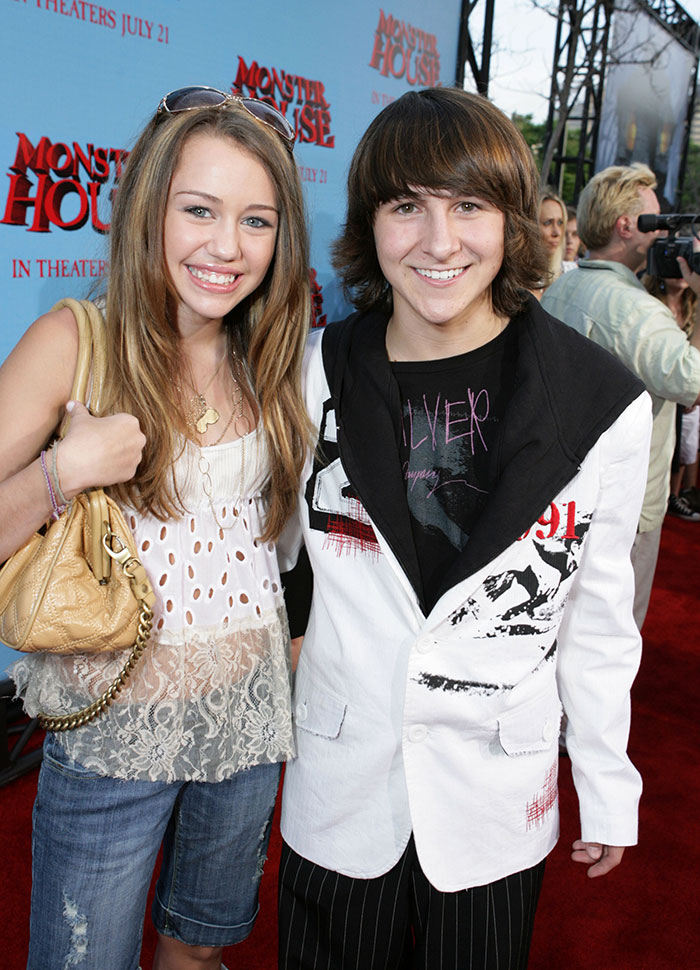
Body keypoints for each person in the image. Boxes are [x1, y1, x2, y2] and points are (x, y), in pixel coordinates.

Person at [277, 87, 652, 970]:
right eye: (407, 206)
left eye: (469, 207)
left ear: (514, 221)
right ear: (371, 222)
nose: (439, 243)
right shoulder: (308, 374)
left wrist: (606, 785)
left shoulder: (603, 404)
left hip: (494, 797)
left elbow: (599, 625)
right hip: (339, 788)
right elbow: (276, 563)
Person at [0, 85, 311, 970]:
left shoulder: (274, 355)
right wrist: (63, 471)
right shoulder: (75, 341)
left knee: (197, 957)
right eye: (199, 210)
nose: (227, 246)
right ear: (149, 211)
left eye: (257, 221)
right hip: (114, 732)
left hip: (247, 724)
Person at [543, 163, 700, 628]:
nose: (664, 237)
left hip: (566, 488)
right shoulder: (635, 309)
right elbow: (693, 379)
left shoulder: (565, 285)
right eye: (657, 221)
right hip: (625, 507)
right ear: (627, 225)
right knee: (611, 634)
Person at [643, 272, 700, 521]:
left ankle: (673, 496)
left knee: (683, 446)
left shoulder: (692, 304)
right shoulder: (649, 304)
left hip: (684, 390)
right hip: (656, 391)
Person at [536, 188, 567, 292]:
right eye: (548, 223)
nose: (556, 232)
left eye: (560, 223)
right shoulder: (516, 277)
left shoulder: (569, 273)